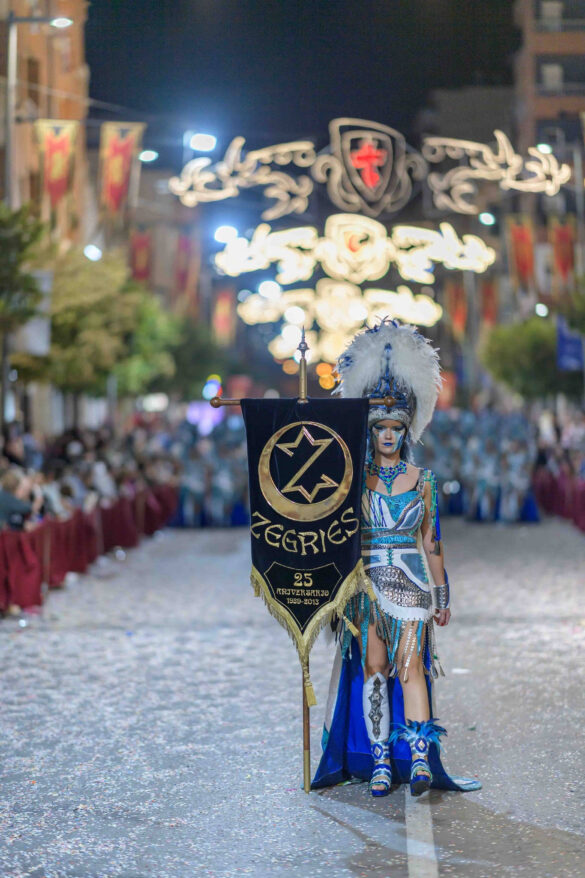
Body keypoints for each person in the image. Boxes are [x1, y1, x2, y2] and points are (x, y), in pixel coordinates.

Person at [312, 320, 480, 797]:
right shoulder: (351, 480)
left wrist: (442, 594)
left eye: (396, 428)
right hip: (365, 590)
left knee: (411, 669)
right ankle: (381, 761)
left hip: (412, 589)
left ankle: (420, 758)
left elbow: (432, 543)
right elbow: (331, 531)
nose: (388, 435)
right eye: (380, 427)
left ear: (407, 430)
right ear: (371, 431)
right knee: (373, 671)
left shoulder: (424, 481)